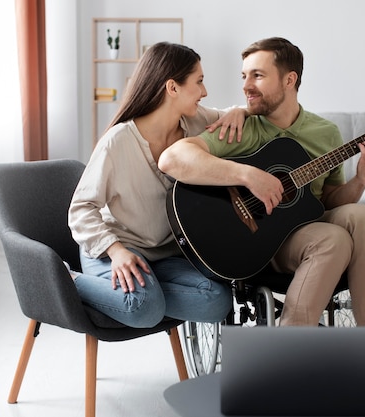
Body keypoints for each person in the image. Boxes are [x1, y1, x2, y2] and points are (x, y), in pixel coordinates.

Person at [158, 37, 365, 327]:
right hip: (264, 238)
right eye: (244, 76)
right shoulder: (241, 128)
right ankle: (287, 349)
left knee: (364, 215)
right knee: (333, 240)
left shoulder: (326, 132)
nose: (246, 85)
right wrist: (248, 175)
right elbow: (173, 159)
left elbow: (330, 201)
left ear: (289, 80)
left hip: (310, 224)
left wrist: (361, 179)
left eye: (257, 75)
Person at [68, 42, 243, 328]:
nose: (205, 91)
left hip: (165, 257)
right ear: (172, 87)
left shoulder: (195, 122)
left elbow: (234, 114)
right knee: (143, 309)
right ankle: (69, 280)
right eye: (198, 81)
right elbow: (80, 209)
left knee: (217, 302)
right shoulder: (118, 141)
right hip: (116, 250)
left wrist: (239, 112)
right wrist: (116, 251)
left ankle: (147, 295)